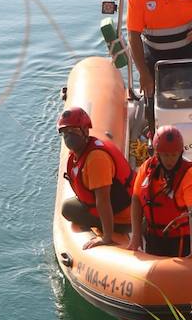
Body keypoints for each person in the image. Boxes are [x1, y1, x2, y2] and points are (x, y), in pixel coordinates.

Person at [57, 106, 134, 248]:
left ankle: (115, 231)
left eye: (73, 130)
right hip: (116, 209)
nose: (68, 136)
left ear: (85, 130)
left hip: (124, 217)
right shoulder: (78, 153)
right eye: (65, 132)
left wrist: (106, 237)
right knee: (68, 208)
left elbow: (103, 201)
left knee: (68, 209)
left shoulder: (96, 159)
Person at [129, 126, 192, 259]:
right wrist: (136, 236)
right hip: (154, 236)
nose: (170, 160)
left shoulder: (190, 174)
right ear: (157, 153)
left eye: (174, 155)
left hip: (182, 239)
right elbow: (136, 200)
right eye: (165, 155)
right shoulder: (147, 168)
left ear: (180, 153)